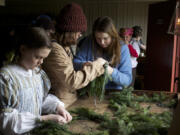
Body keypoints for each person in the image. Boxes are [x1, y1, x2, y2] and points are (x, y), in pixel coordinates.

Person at [0, 27, 72, 135]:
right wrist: (44, 119)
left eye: (44, 58)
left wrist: (57, 107)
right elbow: (7, 123)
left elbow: (39, 99)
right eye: (38, 57)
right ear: (23, 49)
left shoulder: (37, 74)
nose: (41, 62)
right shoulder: (7, 77)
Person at [42, 3, 107, 108]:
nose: (80, 35)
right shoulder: (54, 49)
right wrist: (96, 65)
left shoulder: (64, 46)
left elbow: (67, 70)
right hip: (59, 106)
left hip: (68, 101)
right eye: (79, 31)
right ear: (70, 31)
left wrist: (83, 66)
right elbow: (72, 81)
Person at [74, 16, 132, 90]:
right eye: (98, 38)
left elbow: (127, 80)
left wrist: (109, 70)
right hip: (89, 90)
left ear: (112, 35)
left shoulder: (122, 48)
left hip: (113, 92)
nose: (102, 42)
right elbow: (75, 63)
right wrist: (84, 64)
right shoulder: (89, 41)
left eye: (105, 38)